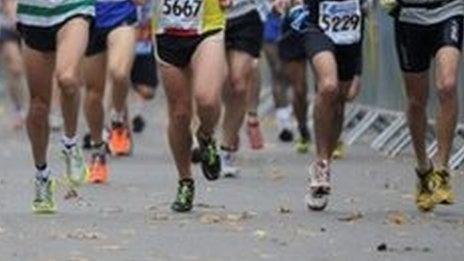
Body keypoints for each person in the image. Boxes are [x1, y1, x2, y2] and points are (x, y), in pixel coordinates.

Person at [382, 0, 463, 212]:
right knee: (417, 100)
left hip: (449, 9)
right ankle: (423, 167)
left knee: (448, 85)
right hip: (410, 15)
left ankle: (442, 168)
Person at [17, 0, 94, 213]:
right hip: (34, 14)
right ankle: (42, 175)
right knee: (39, 105)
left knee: (67, 79)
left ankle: (70, 144)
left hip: (74, 8)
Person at [155, 0, 229, 212]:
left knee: (207, 99)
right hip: (167, 29)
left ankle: (205, 135)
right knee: (179, 113)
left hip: (207, 26)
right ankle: (185, 180)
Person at [303, 0, 366, 211]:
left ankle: (326, 162)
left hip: (350, 31)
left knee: (339, 100)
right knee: (328, 86)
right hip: (317, 26)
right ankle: (320, 162)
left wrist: (359, 70)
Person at [83, 0, 140, 183]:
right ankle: (98, 151)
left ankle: (117, 120)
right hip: (88, 18)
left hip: (121, 13)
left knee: (119, 73)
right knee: (93, 93)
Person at [221, 0, 264, 177]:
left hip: (246, 13)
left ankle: (226, 149)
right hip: (210, 17)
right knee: (220, 79)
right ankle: (226, 128)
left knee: (239, 84)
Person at [279, 2, 312, 153]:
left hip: (321, 19)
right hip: (294, 22)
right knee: (299, 89)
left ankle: (333, 135)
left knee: (326, 85)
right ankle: (303, 128)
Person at [131, 0, 158, 134]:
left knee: (148, 91)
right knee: (118, 75)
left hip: (144, 44)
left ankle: (134, 112)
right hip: (122, 33)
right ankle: (133, 117)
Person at [0, 0, 25, 129]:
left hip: (33, 22)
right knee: (15, 68)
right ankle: (19, 110)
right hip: (6, 25)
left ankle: (46, 109)